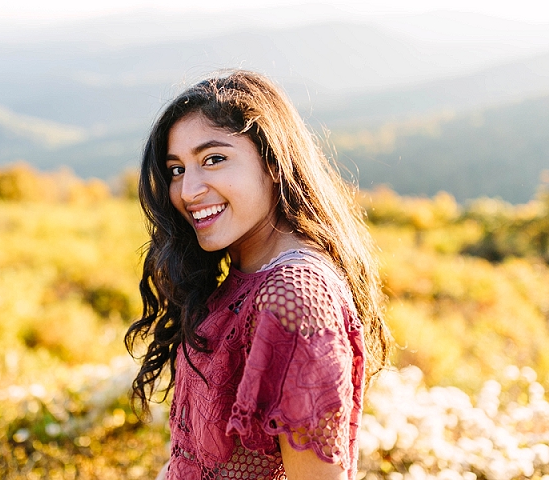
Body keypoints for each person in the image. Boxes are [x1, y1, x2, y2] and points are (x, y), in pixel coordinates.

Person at [125, 70, 391, 480]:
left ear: (273, 162)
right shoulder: (241, 277)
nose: (189, 190)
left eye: (214, 159)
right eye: (176, 169)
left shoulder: (294, 294)